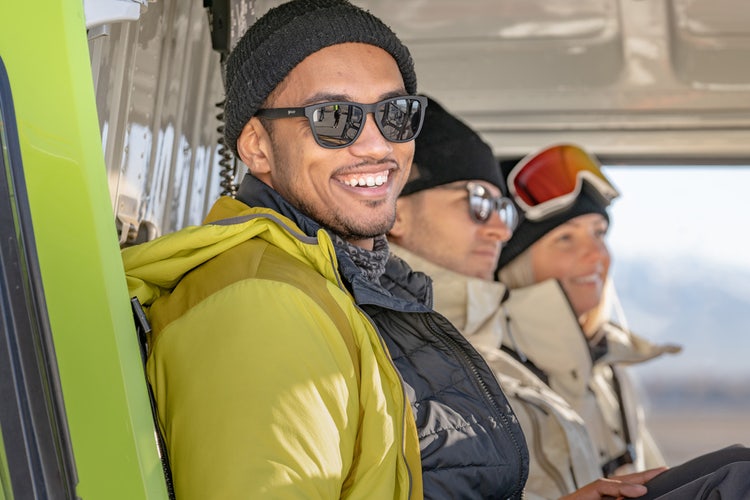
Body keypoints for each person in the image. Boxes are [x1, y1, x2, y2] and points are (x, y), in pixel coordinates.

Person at [121, 1, 533, 498]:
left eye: (395, 114)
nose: (377, 145)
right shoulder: (263, 305)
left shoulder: (340, 286)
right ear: (256, 147)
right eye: (335, 118)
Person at [388, 98, 750, 499]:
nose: (498, 229)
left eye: (599, 234)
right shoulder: (411, 347)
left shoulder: (604, 372)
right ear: (395, 212)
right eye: (477, 202)